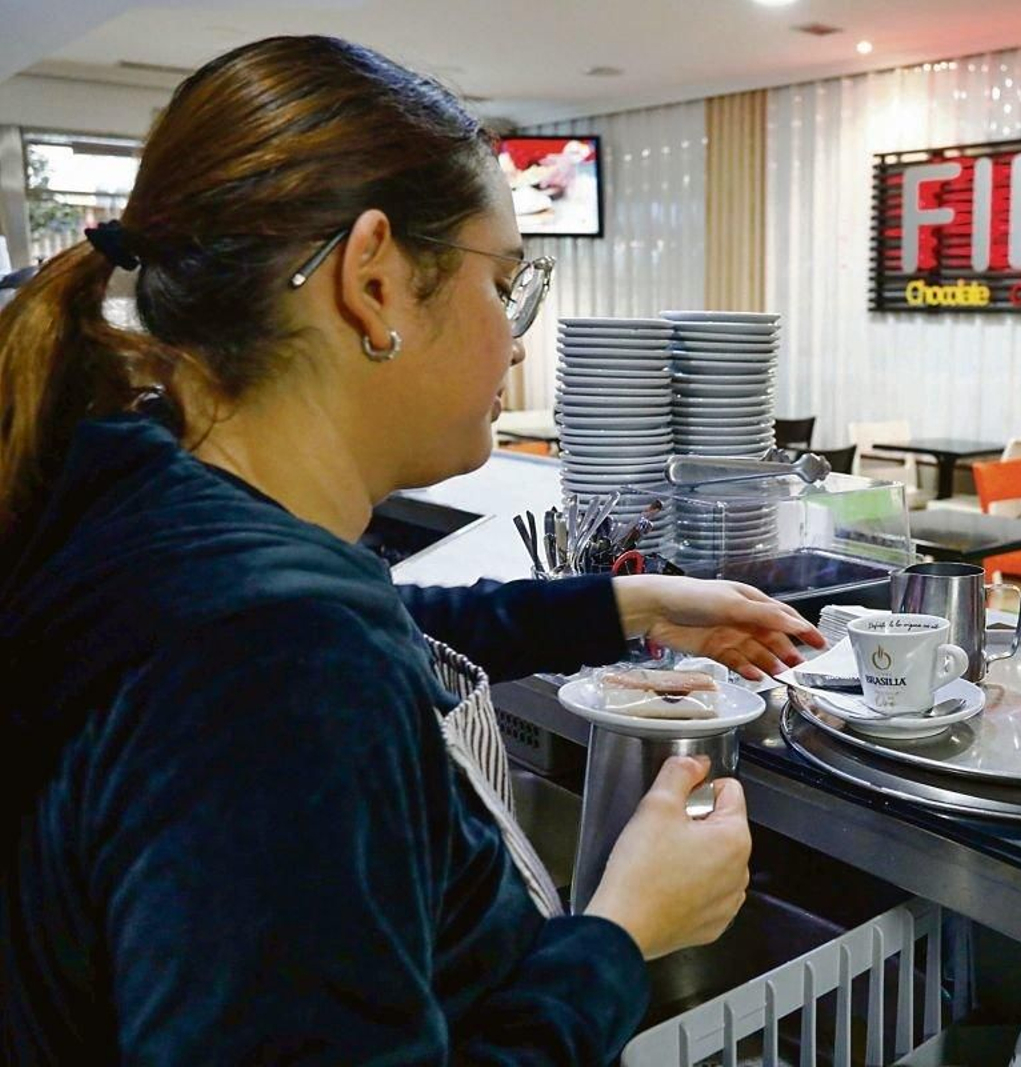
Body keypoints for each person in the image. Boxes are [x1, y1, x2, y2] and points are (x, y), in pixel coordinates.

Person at [0, 35, 823, 1065]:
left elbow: (385, 622)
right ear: (375, 279)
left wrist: (630, 605)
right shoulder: (273, 665)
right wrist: (620, 932)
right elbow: (300, 662)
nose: (515, 338)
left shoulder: (146, 501)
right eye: (505, 282)